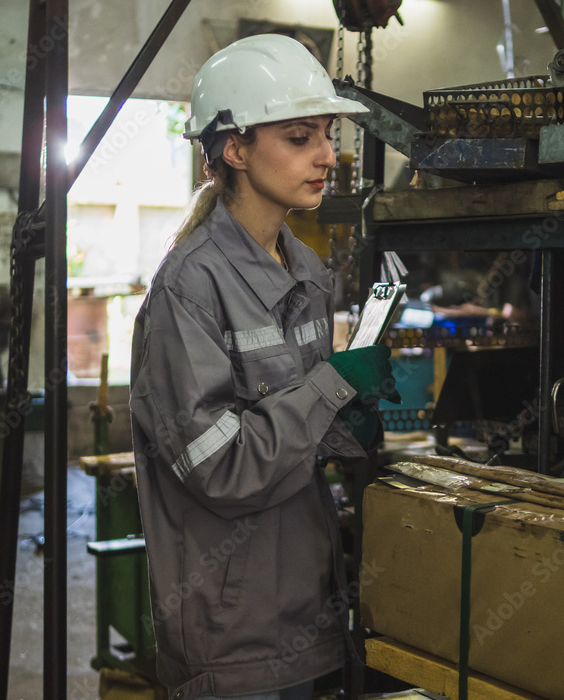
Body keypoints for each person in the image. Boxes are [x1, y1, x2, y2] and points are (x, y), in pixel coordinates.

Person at [129, 34, 400, 700]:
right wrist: (330, 386)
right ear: (235, 149)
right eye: (301, 138)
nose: (327, 156)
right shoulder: (188, 289)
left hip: (306, 609)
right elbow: (218, 467)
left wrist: (348, 422)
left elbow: (293, 437)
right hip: (232, 634)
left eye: (327, 135)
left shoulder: (307, 272)